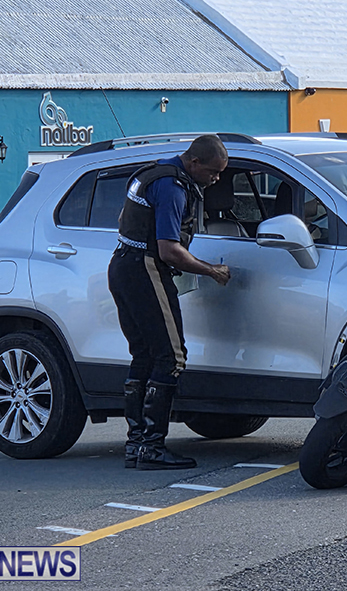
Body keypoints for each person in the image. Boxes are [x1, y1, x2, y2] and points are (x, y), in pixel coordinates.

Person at [108, 135, 231, 470]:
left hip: (122, 264)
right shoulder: (174, 187)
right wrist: (211, 271)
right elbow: (168, 249)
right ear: (194, 163)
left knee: (144, 354)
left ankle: (137, 444)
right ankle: (151, 447)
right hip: (146, 267)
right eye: (213, 172)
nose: (216, 179)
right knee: (171, 357)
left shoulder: (151, 174)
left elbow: (124, 220)